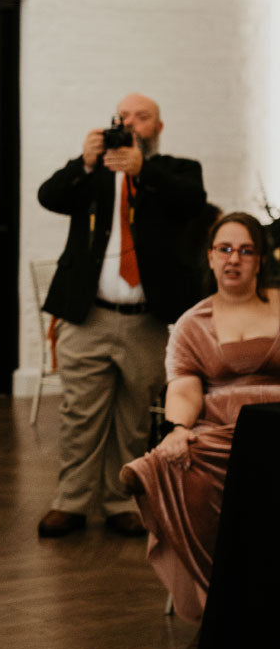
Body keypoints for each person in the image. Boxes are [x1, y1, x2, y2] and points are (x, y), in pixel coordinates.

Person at [35, 95, 207, 538]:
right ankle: (70, 502)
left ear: (158, 127)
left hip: (146, 321)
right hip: (87, 315)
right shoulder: (92, 175)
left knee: (133, 417)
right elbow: (48, 196)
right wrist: (85, 162)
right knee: (79, 415)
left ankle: (120, 501)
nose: (130, 124)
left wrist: (142, 171)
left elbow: (194, 201)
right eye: (123, 116)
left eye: (141, 117)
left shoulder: (175, 171)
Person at [120, 211, 280, 623]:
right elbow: (185, 385)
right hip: (226, 430)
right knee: (179, 457)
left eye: (246, 251)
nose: (234, 259)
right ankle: (223, 606)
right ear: (210, 257)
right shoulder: (193, 322)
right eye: (225, 249)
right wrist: (178, 429)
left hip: (278, 425)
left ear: (259, 260)